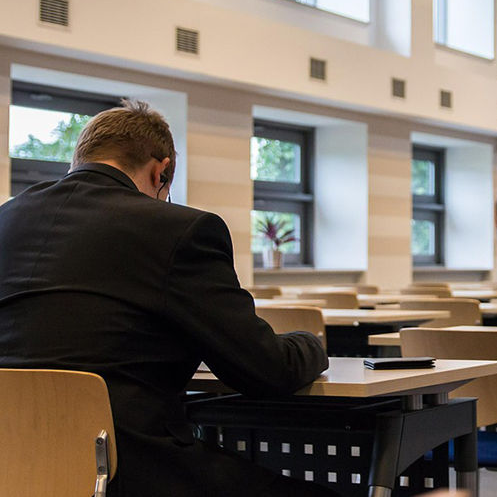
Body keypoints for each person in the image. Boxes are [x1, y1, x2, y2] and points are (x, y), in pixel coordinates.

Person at [0, 100, 334, 497]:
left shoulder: (7, 219)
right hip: (130, 469)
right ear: (161, 171)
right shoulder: (180, 230)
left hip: (14, 468)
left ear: (79, 159)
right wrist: (313, 343)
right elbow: (267, 370)